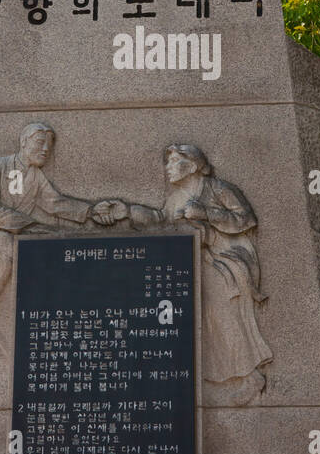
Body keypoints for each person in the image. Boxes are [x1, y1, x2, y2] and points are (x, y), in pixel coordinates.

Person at [0, 122, 119, 378]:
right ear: (23, 142)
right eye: (39, 143)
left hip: (6, 255)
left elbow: (56, 204)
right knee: (4, 245)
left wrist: (91, 212)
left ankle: (19, 355)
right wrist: (32, 227)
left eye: (49, 145)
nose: (45, 149)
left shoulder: (35, 177)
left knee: (19, 265)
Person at [114, 143, 272, 401]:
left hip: (227, 258)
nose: (167, 168)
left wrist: (206, 213)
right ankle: (211, 379)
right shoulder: (176, 196)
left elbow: (246, 219)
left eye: (173, 161)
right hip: (196, 259)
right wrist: (128, 211)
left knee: (216, 297)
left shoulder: (217, 188)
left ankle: (249, 376)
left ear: (192, 165)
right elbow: (160, 219)